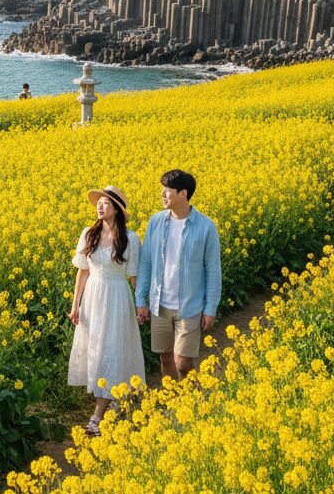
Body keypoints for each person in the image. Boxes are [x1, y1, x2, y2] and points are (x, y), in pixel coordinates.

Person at [68, 185, 145, 435]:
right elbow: (83, 272)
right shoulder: (88, 233)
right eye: (99, 203)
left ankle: (97, 415)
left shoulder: (131, 238)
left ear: (117, 210)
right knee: (96, 349)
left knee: (112, 349)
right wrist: (75, 305)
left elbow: (134, 277)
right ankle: (113, 399)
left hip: (117, 298)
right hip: (92, 297)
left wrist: (141, 305)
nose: (100, 207)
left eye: (106, 203)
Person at [135, 169, 221, 382]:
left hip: (190, 305)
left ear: (183, 194)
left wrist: (210, 308)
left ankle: (190, 396)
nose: (162, 194)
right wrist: (141, 299)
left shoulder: (206, 227)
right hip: (159, 304)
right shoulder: (155, 222)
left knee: (183, 362)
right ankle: (173, 398)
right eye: (162, 189)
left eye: (167, 190)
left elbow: (213, 270)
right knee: (165, 358)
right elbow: (146, 262)